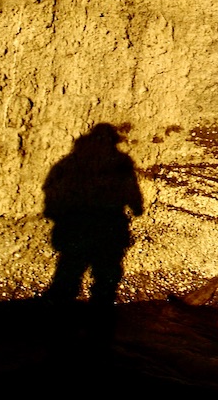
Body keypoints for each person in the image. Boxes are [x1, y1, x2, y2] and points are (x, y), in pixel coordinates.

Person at [42, 123, 143, 311]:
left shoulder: (71, 162)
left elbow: (52, 189)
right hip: (107, 224)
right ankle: (99, 319)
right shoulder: (120, 162)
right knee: (105, 275)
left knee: (71, 269)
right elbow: (131, 190)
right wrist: (136, 207)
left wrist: (57, 214)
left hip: (78, 223)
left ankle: (59, 316)